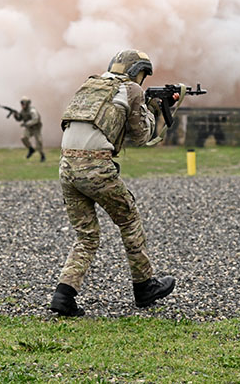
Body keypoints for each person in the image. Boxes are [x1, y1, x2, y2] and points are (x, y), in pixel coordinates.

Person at [49, 49, 177, 317]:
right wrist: (155, 109)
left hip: (66, 167)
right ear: (136, 71)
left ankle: (64, 296)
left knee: (86, 236)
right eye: (142, 74)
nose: (141, 80)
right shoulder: (131, 90)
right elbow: (141, 137)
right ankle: (144, 286)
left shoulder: (91, 84)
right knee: (129, 221)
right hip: (96, 168)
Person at [16, 97, 45, 162]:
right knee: (23, 138)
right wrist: (15, 115)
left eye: (23, 104)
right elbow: (19, 119)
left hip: (36, 128)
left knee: (39, 142)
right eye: (21, 104)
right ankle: (31, 149)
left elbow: (36, 119)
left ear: (27, 104)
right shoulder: (23, 111)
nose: (22, 105)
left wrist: (26, 124)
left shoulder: (32, 111)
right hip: (29, 128)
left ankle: (42, 155)